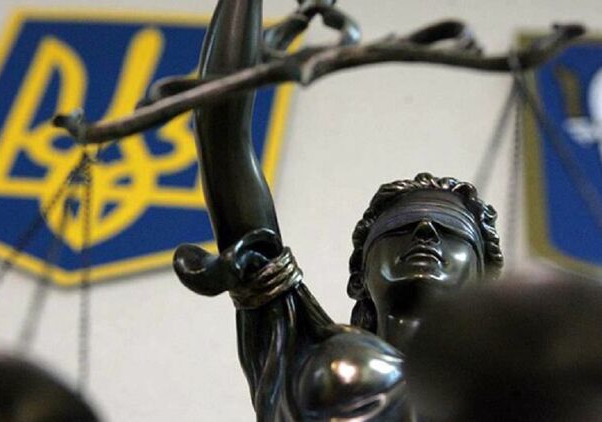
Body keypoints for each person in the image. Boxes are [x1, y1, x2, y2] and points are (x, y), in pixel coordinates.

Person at [172, 1, 503, 420]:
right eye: (398, 228)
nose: (424, 231)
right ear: (359, 276)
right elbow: (222, 136)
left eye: (450, 230)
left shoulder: (515, 390)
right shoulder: (299, 351)